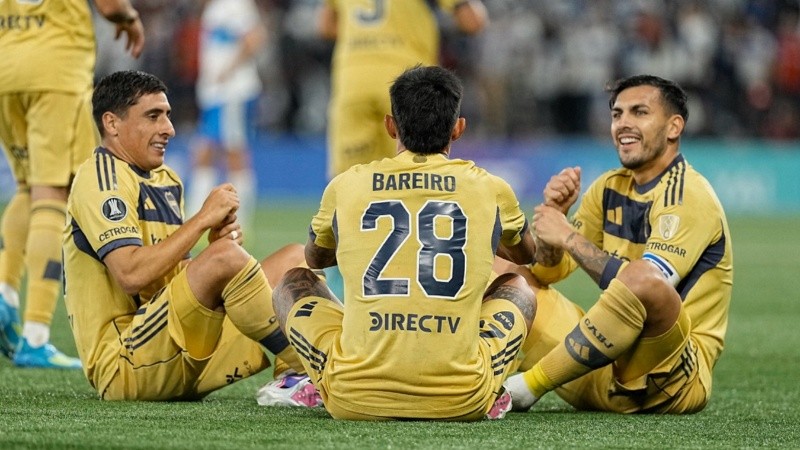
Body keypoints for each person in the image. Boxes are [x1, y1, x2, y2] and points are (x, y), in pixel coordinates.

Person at [271, 65, 536, 421]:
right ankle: (490, 389)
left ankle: (314, 378)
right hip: (461, 401)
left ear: (390, 125)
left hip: (353, 400)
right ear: (458, 128)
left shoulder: (348, 184)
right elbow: (526, 254)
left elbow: (316, 258)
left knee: (292, 281)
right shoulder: (489, 187)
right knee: (517, 288)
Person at [62, 70, 314, 402]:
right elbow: (131, 274)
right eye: (153, 116)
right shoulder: (100, 179)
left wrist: (211, 253)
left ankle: (295, 384)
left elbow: (171, 282)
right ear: (112, 124)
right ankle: (322, 369)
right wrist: (201, 222)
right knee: (225, 258)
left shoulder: (166, 180)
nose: (169, 129)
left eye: (167, 116)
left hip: (175, 347)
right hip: (125, 364)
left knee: (295, 260)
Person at [505, 74, 734, 414]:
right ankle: (479, 380)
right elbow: (548, 272)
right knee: (508, 273)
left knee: (642, 278)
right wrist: (555, 221)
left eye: (639, 112)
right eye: (617, 114)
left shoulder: (689, 195)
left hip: (669, 382)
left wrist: (568, 235)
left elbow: (646, 287)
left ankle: (528, 386)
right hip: (601, 365)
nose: (623, 124)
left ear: (673, 127)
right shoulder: (608, 187)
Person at [0, 0, 145, 368]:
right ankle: (35, 336)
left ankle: (6, 291)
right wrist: (129, 18)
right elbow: (111, 6)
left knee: (27, 187)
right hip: (55, 71)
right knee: (54, 192)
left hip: (6, 68)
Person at [318, 0, 488, 180]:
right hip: (407, 80)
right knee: (415, 174)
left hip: (353, 79)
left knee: (348, 179)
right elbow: (472, 22)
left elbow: (326, 27)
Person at [186, 0, 267, 233]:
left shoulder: (234, 4)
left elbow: (254, 37)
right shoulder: (215, 8)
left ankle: (239, 220)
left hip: (233, 92)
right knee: (205, 152)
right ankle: (196, 215)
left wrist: (228, 69)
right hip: (215, 94)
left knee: (233, 153)